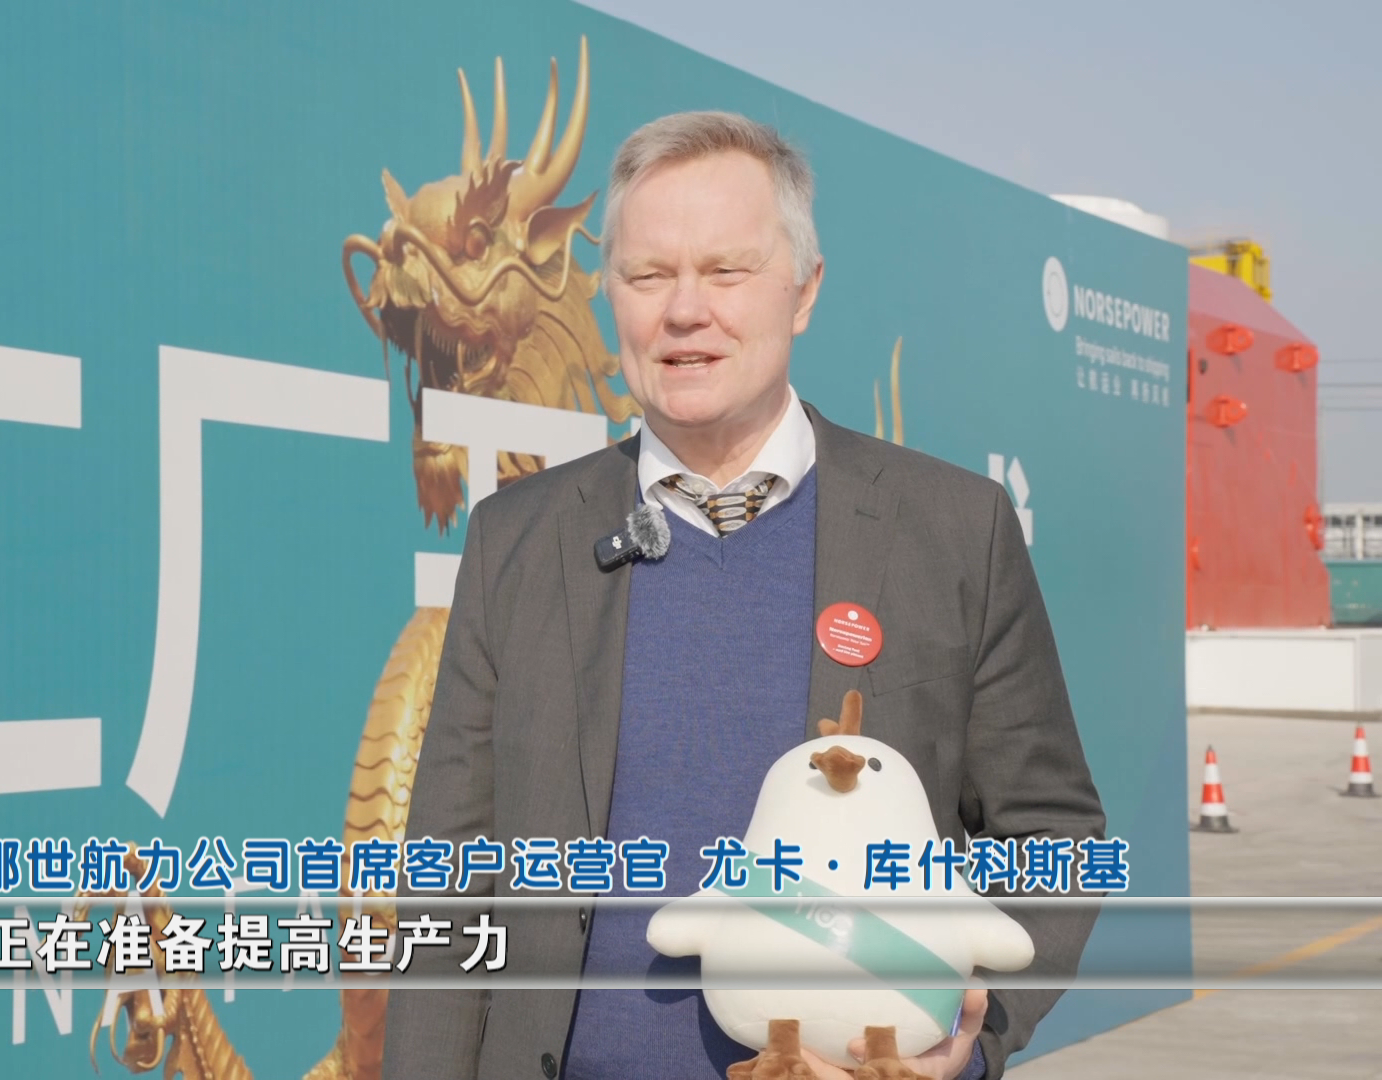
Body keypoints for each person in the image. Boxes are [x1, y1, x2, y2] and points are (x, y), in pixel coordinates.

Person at [380, 110, 1106, 1080]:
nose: (686, 312)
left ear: (803, 290)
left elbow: (1053, 837)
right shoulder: (517, 540)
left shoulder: (951, 530)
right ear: (609, 294)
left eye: (727, 271)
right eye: (648, 275)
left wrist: (966, 1043)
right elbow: (448, 875)